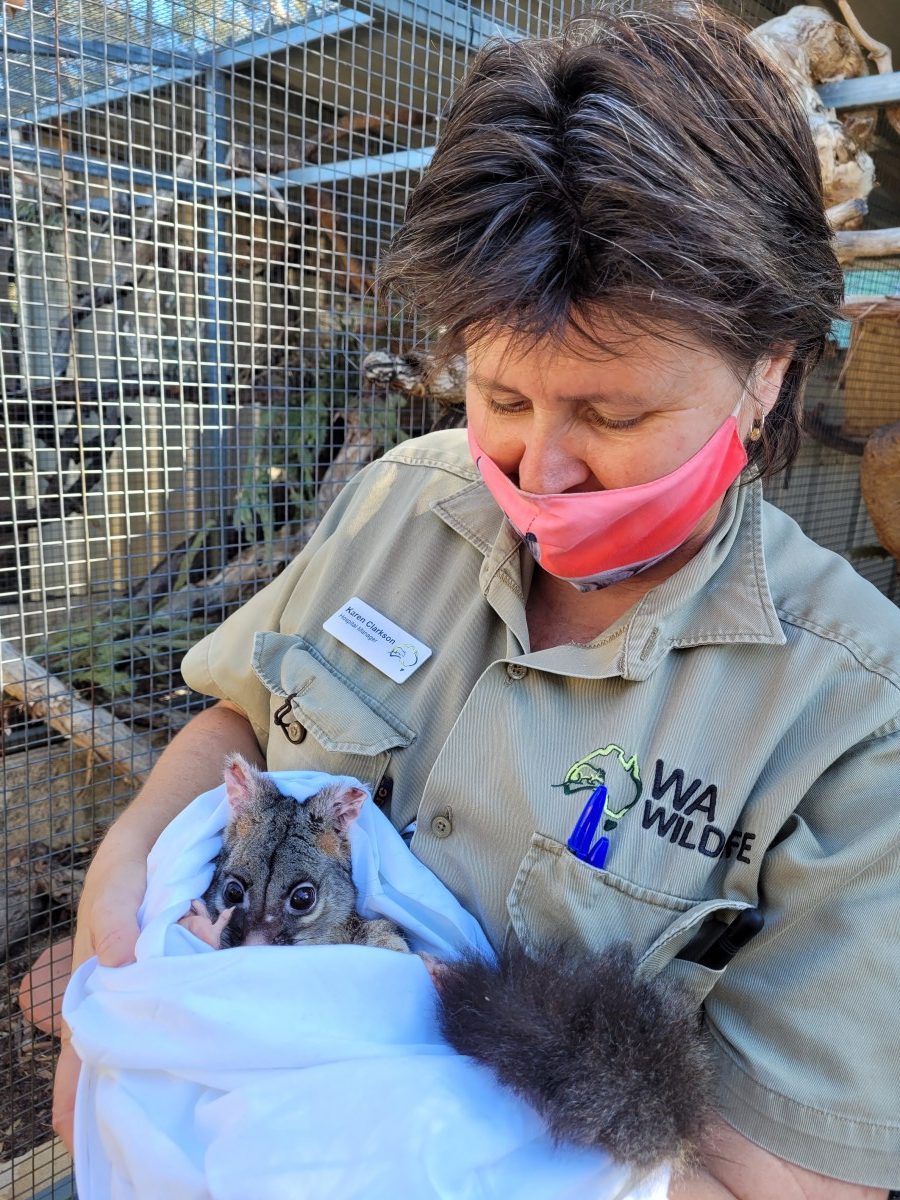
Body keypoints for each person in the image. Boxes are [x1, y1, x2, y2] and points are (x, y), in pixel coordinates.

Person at [20, 5, 899, 1197]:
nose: (539, 471)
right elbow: (239, 722)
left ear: (771, 371)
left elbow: (794, 1182)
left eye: (615, 415)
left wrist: (414, 1133)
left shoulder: (856, 720)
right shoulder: (403, 501)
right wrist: (120, 882)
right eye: (501, 395)